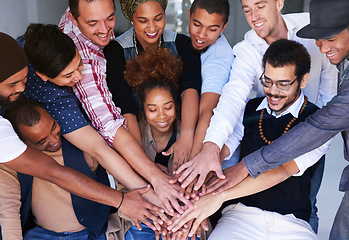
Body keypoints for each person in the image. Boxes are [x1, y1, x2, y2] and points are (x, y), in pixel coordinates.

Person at [174, 0, 338, 231]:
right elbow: (232, 99)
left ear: (279, 2)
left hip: (310, 131)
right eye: (247, 9)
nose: (254, 16)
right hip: (265, 133)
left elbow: (330, 84)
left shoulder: (312, 30)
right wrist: (211, 149)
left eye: (260, 6)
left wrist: (315, 128)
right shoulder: (247, 50)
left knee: (307, 203)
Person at [0, 31, 158, 238]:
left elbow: (103, 152)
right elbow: (48, 175)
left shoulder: (64, 109)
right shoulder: (7, 138)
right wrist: (121, 200)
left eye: (24, 80)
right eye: (12, 84)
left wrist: (151, 190)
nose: (22, 88)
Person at [59, 0, 191, 214]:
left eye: (110, 18)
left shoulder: (181, 44)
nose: (104, 30)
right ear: (74, 18)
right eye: (93, 22)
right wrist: (153, 181)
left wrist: (148, 169)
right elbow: (110, 126)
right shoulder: (84, 61)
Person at [231, 0, 349, 239]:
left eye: (331, 38)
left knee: (310, 206)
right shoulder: (252, 109)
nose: (323, 49)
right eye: (268, 81)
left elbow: (325, 119)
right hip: (241, 218)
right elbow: (231, 102)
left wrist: (248, 165)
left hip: (309, 142)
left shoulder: (315, 110)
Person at [104, 0, 202, 171]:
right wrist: (144, 164)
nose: (152, 27)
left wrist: (186, 137)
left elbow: (190, 89)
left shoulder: (183, 45)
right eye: (143, 21)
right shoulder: (116, 51)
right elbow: (125, 108)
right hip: (136, 141)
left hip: (178, 135)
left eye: (158, 18)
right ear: (131, 18)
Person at [3, 98, 117, 239]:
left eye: (53, 127)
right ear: (21, 142)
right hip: (40, 235)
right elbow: (8, 208)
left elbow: (116, 168)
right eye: (42, 141)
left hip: (90, 233)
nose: (54, 140)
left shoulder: (83, 144)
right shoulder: (15, 161)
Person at [187, 0, 234, 169]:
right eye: (197, 24)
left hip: (213, 157)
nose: (201, 34)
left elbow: (208, 112)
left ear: (223, 27)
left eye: (212, 29)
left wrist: (192, 164)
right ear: (189, 16)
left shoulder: (218, 57)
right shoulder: (197, 47)